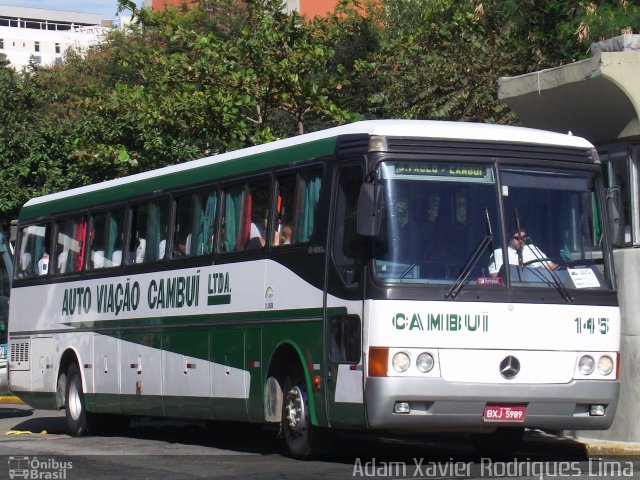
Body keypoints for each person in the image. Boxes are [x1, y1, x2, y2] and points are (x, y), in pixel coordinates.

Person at [488, 229, 558, 277]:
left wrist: (566, 269)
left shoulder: (532, 249)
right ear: (508, 237)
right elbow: (495, 277)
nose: (521, 241)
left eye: (523, 237)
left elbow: (550, 266)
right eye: (517, 238)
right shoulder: (499, 253)